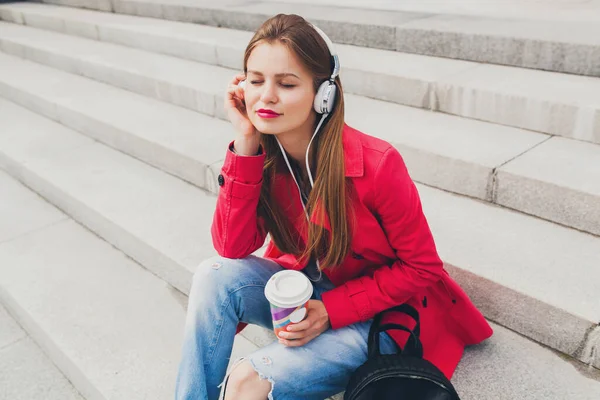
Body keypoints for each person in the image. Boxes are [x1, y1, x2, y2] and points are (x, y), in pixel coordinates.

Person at [175, 13, 493, 400]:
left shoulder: (377, 163)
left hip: (379, 316)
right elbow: (231, 247)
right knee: (213, 274)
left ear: (324, 94)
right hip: (307, 290)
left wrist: (332, 310)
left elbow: (422, 267)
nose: (266, 96)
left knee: (247, 380)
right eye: (255, 81)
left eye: (286, 83)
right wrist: (245, 143)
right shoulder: (262, 155)